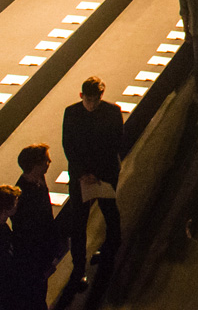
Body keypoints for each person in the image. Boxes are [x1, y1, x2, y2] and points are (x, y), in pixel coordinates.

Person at [62, 77, 122, 291]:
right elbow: (68, 146)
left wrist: (94, 173)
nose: (92, 105)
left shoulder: (113, 112)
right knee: (78, 223)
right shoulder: (71, 113)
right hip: (82, 176)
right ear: (81, 96)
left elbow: (114, 144)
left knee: (108, 209)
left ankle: (112, 247)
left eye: (96, 100)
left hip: (103, 172)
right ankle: (78, 269)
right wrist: (84, 173)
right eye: (89, 100)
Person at [12, 143, 58, 310]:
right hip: (32, 256)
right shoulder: (23, 195)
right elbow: (29, 232)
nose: (49, 162)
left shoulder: (39, 179)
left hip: (41, 250)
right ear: (35, 165)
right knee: (35, 297)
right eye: (46, 160)